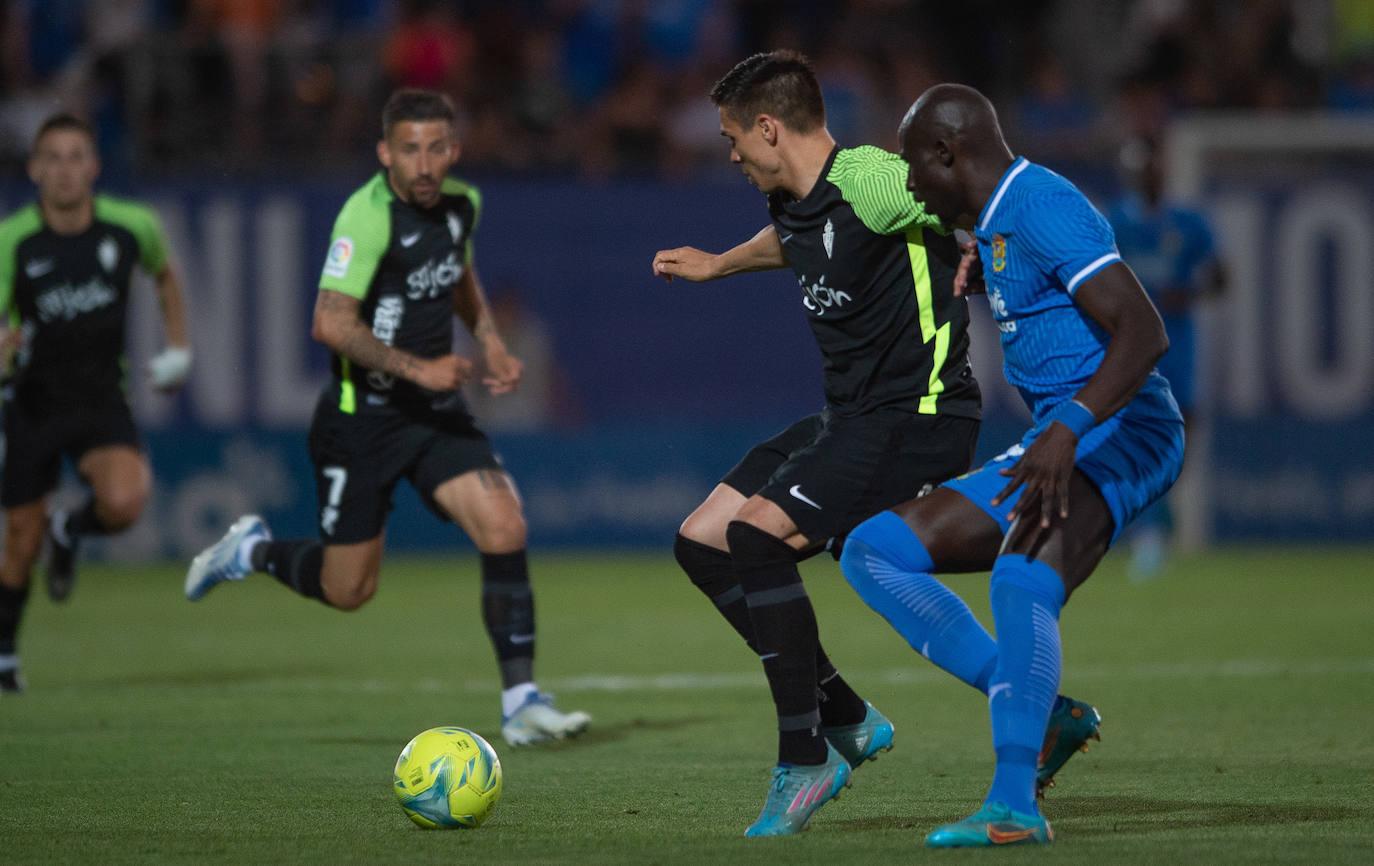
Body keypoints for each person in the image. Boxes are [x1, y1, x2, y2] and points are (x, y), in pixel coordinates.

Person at [653, 51, 1089, 838]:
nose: (730, 155)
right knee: (703, 542)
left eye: (733, 138)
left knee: (756, 535)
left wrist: (981, 253)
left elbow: (967, 201)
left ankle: (807, 754)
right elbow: (798, 239)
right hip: (851, 415)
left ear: (769, 127)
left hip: (918, 416)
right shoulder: (801, 199)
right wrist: (721, 264)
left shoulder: (874, 178)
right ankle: (852, 716)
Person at [183, 89, 590, 747]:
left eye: (436, 148)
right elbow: (329, 321)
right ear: (385, 154)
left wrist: (486, 339)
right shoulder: (366, 218)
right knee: (349, 590)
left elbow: (458, 276)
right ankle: (250, 551)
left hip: (433, 415)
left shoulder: (463, 205)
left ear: (452, 151)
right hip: (362, 418)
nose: (424, 164)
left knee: (505, 523)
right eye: (409, 149)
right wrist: (417, 368)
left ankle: (522, 704)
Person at [838, 84, 1184, 847]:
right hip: (1063, 434)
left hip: (1124, 428)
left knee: (1020, 576)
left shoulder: (1041, 206)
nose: (907, 181)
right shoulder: (995, 224)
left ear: (946, 154)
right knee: (873, 551)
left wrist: (1067, 428)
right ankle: (1042, 708)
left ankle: (1014, 805)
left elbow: (1144, 332)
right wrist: (976, 253)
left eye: (910, 163)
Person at [0, 113, 192, 695]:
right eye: (52, 157)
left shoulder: (131, 227)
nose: (63, 169)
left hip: (102, 398)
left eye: (75, 155)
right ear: (34, 169)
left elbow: (164, 276)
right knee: (18, 542)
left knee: (127, 501)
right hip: (31, 402)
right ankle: (5, 653)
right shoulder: (13, 240)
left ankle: (72, 527)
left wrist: (179, 346)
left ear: (94, 166)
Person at [1107, 136, 1225, 579]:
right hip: (1135, 349)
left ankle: (1160, 512)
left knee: (1180, 447)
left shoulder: (1189, 222)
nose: (1146, 177)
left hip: (1180, 345)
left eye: (1151, 168)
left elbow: (1222, 278)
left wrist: (1191, 291)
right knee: (1142, 437)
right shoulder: (1115, 221)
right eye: (1138, 171)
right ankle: (1149, 537)